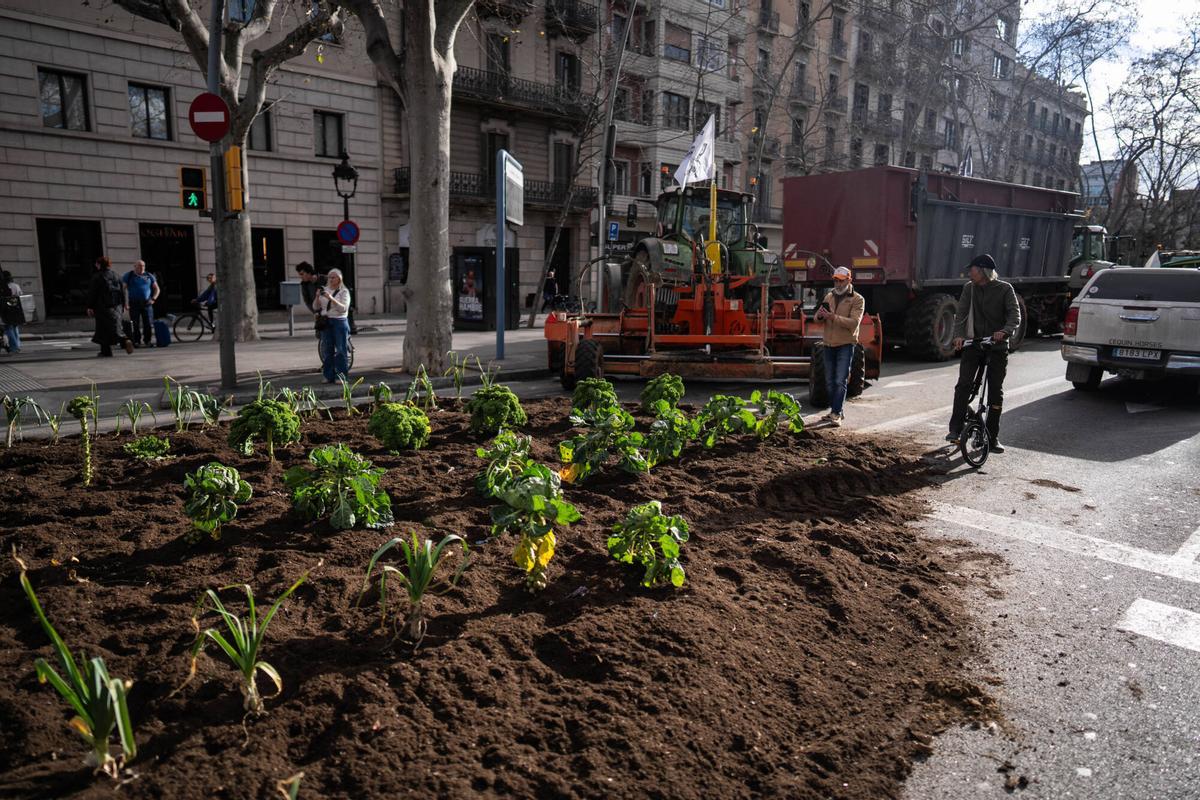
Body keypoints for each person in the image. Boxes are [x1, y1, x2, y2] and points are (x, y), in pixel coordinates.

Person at [946, 253, 1021, 453]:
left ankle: (992, 436)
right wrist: (958, 336)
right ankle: (955, 429)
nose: (969, 273)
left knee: (995, 390)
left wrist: (1005, 331)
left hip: (997, 347)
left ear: (983, 271)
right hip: (974, 344)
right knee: (963, 384)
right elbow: (961, 315)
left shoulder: (1005, 289)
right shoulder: (969, 289)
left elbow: (1015, 315)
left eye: (972, 270)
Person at [815, 266, 866, 427]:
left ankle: (836, 413)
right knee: (830, 381)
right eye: (835, 280)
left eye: (841, 281)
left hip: (845, 344)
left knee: (840, 380)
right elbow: (817, 318)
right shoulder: (829, 296)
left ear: (849, 280)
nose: (837, 283)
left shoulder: (857, 299)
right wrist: (820, 316)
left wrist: (832, 317)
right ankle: (836, 411)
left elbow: (854, 323)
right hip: (828, 344)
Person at [87, 256, 134, 357]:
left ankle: (123, 341)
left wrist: (90, 306)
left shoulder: (97, 277)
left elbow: (93, 293)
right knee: (114, 326)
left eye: (97, 264)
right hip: (117, 306)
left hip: (102, 306)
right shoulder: (116, 275)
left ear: (99, 264)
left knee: (103, 329)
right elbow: (123, 291)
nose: (96, 265)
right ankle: (107, 350)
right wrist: (124, 304)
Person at [312, 267, 351, 383]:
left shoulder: (344, 292)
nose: (331, 279)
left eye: (333, 277)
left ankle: (341, 377)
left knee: (340, 350)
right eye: (329, 277)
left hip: (339, 322)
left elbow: (343, 309)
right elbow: (315, 307)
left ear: (339, 279)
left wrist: (331, 298)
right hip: (326, 322)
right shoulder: (324, 289)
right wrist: (317, 296)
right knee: (327, 350)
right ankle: (328, 376)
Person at [297, 261, 356, 334]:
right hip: (320, 314)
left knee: (339, 335)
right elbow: (307, 301)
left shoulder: (325, 279)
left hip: (334, 312)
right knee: (320, 334)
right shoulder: (304, 285)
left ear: (309, 272)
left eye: (302, 274)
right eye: (299, 274)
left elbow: (340, 292)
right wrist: (315, 312)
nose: (300, 276)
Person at [121, 259, 159, 348]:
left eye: (143, 266)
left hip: (147, 303)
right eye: (139, 266)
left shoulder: (149, 275)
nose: (142, 267)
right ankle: (136, 341)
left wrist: (153, 299)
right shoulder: (129, 275)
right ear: (135, 267)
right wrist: (125, 303)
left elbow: (157, 289)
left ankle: (147, 341)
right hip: (134, 303)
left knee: (148, 323)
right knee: (135, 323)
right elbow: (123, 289)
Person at [1, 270, 24, 353]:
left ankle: (14, 347)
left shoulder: (4, 286)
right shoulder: (16, 286)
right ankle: (17, 345)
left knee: (8, 328)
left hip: (7, 309)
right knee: (15, 327)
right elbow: (20, 296)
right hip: (16, 309)